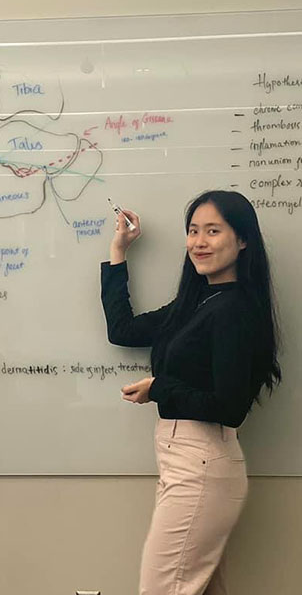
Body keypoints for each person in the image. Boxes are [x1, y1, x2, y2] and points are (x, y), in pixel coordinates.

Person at [100, 190, 280, 595]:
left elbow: (230, 407)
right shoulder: (198, 302)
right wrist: (118, 250)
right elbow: (123, 331)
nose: (199, 242)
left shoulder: (233, 310)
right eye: (193, 231)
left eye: (213, 231)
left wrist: (160, 388)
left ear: (243, 240)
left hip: (200, 464)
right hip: (187, 462)